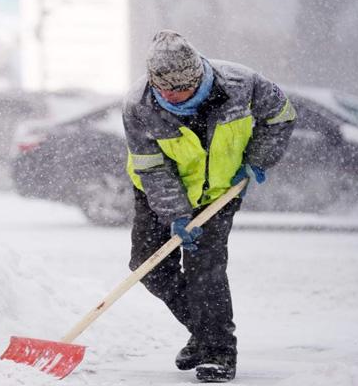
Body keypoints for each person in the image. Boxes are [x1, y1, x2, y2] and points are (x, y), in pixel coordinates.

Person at [122, 30, 296, 382]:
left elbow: (281, 116)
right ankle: (204, 334)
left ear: (198, 75)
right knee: (148, 267)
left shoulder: (242, 84)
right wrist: (176, 215)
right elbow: (153, 166)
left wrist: (257, 160)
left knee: (206, 271)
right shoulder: (139, 105)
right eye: (165, 90)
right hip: (157, 190)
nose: (172, 96)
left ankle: (218, 351)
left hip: (220, 191)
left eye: (181, 89)